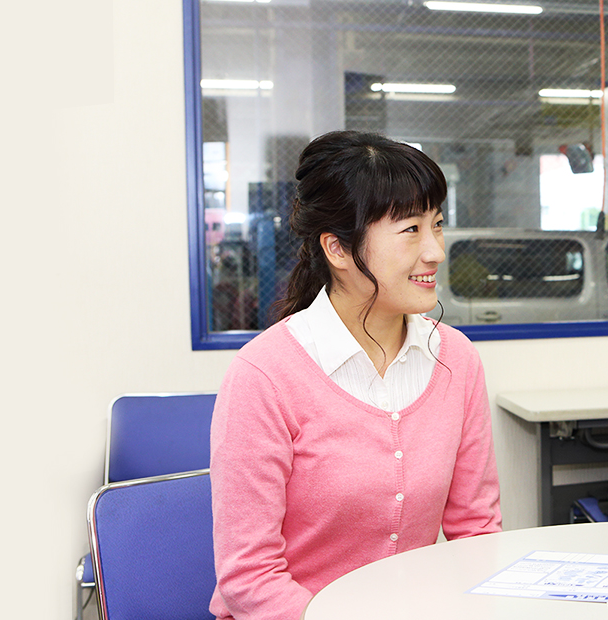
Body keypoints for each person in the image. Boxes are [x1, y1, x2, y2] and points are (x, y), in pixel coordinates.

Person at [209, 131, 501, 620]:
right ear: (338, 249)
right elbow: (249, 577)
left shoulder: (456, 359)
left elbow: (476, 532)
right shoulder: (264, 375)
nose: (435, 251)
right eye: (410, 229)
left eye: (437, 224)